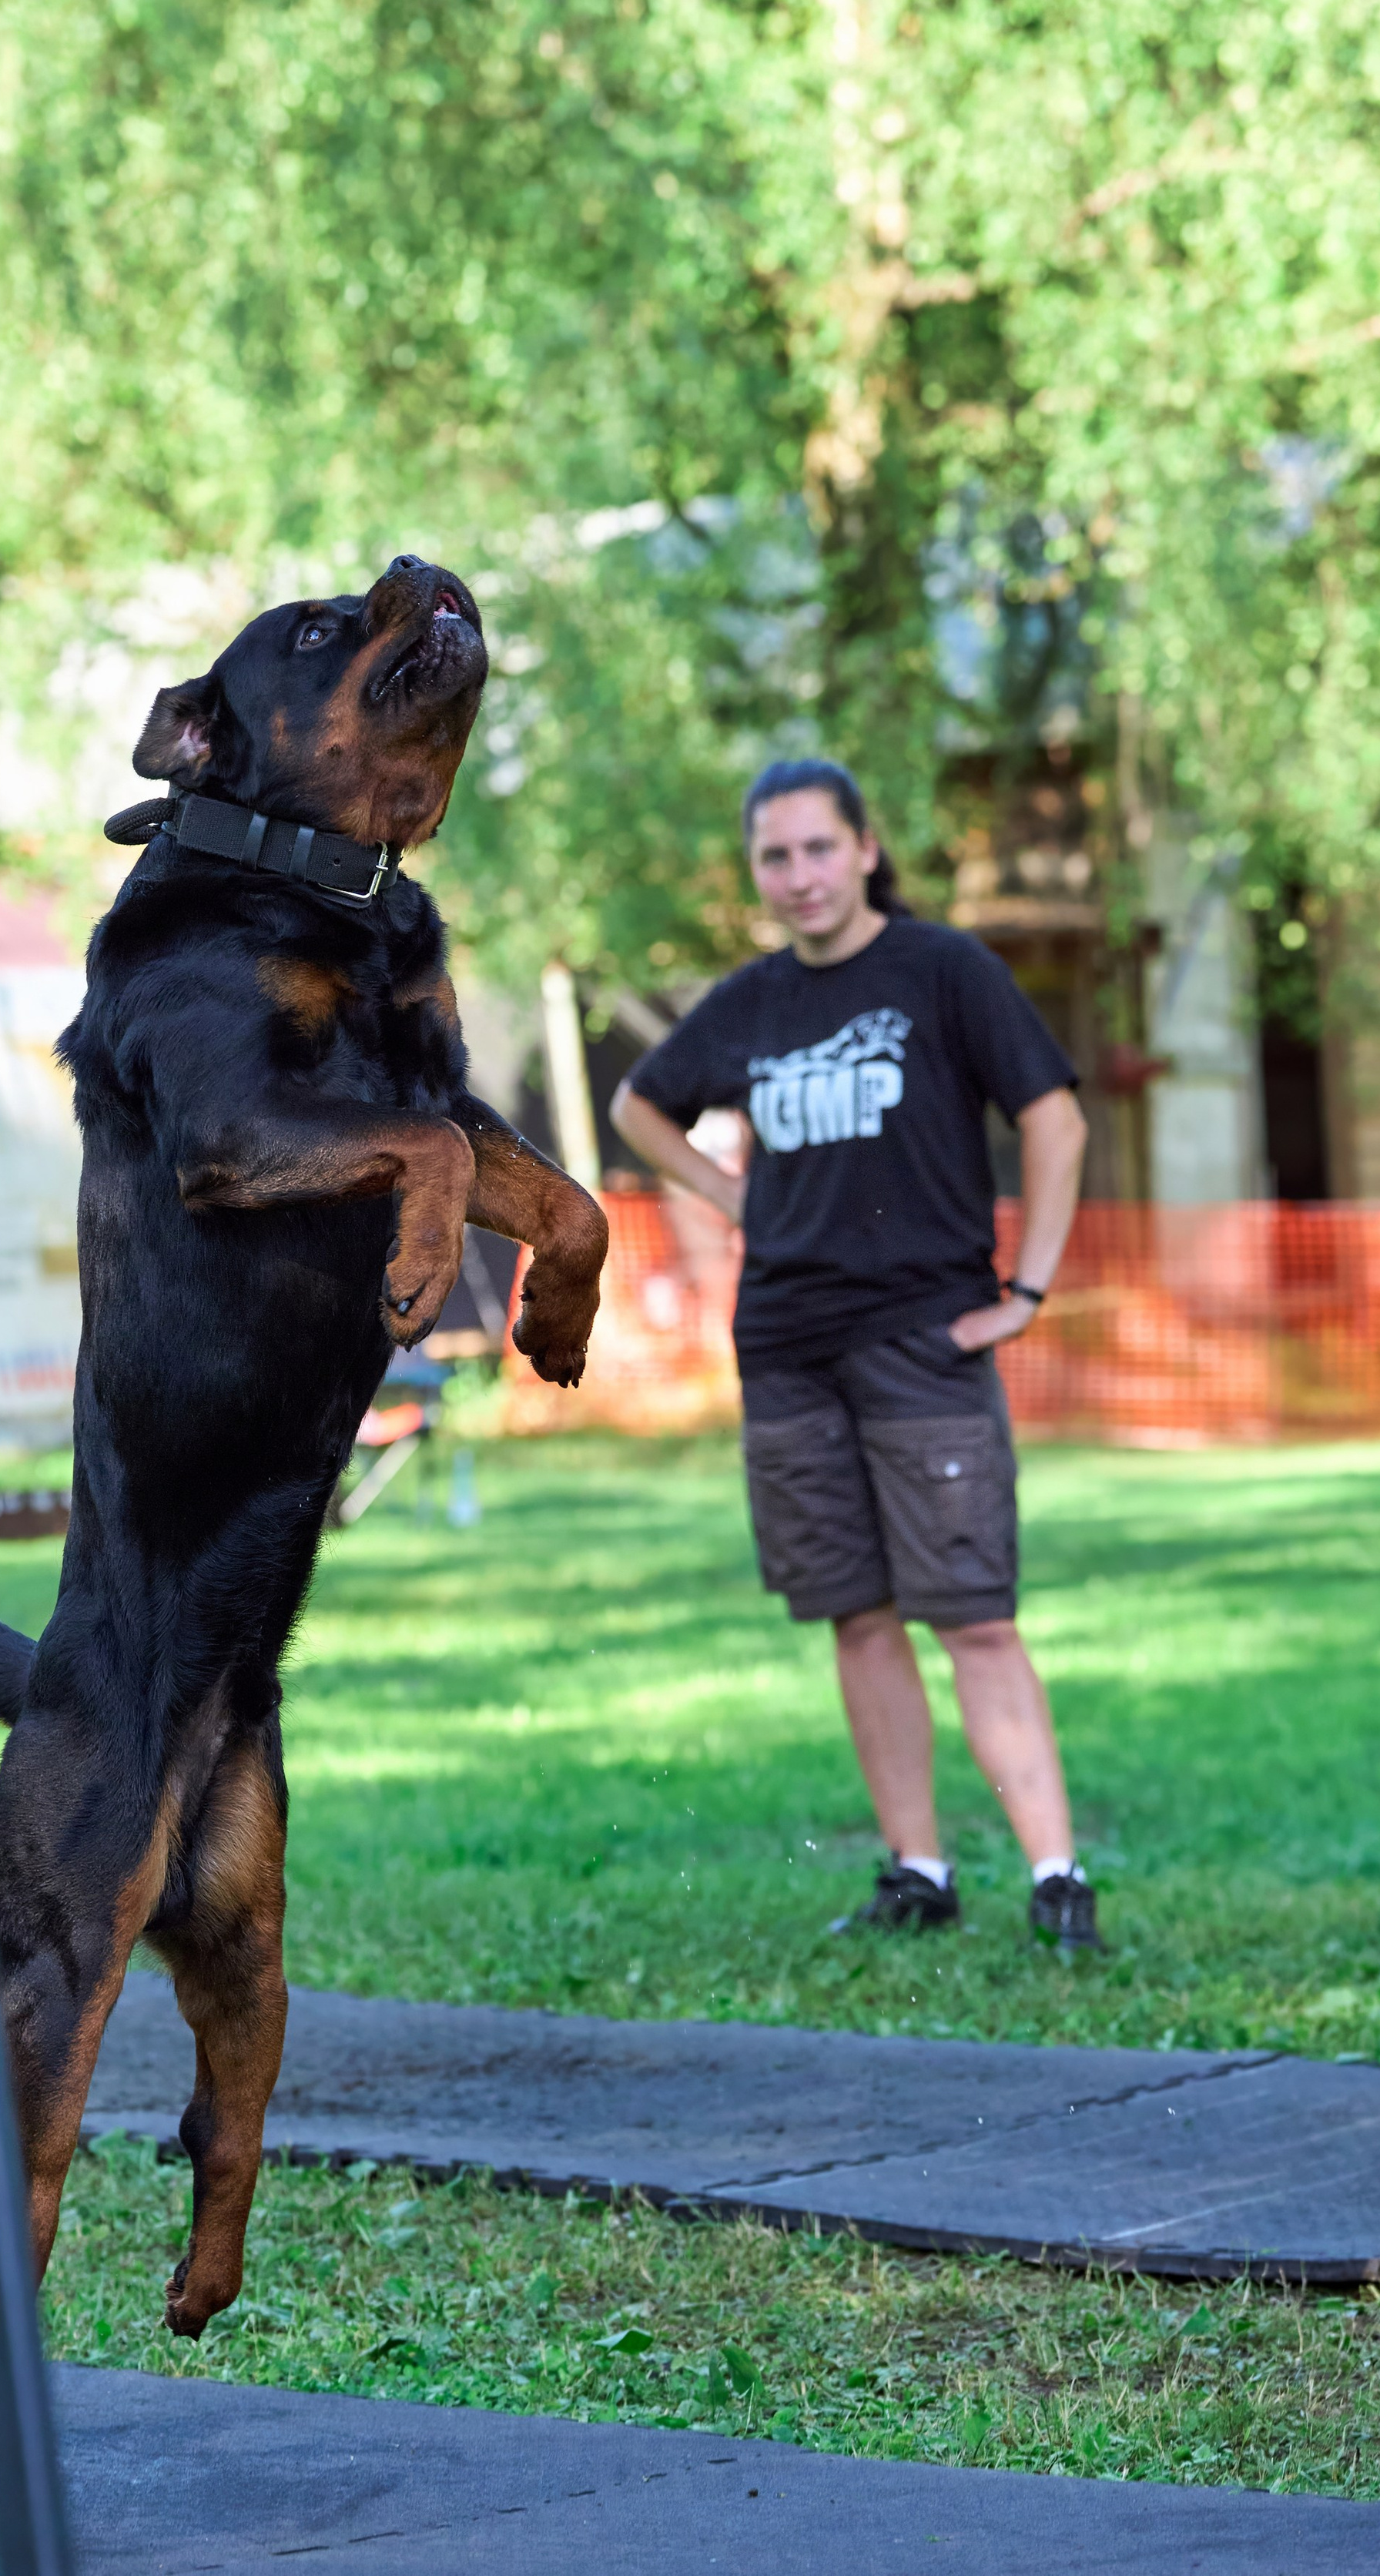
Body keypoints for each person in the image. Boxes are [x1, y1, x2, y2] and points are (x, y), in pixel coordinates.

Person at [609, 759, 1098, 1946]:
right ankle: (918, 1870)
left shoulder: (944, 970)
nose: (801, 875)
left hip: (924, 1339)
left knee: (974, 1614)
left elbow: (1057, 1117)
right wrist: (737, 1196)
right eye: (775, 856)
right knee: (857, 1614)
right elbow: (638, 1106)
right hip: (787, 1346)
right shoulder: (752, 1000)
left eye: (820, 847)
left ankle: (1057, 1878)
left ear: (867, 849)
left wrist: (1028, 1287)